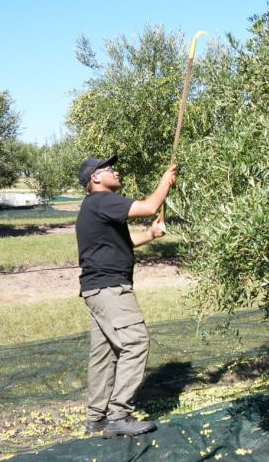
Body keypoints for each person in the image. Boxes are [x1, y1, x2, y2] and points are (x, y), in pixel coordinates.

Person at [75, 155, 177, 438]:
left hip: (96, 290)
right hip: (110, 290)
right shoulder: (102, 200)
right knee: (136, 342)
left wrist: (152, 235)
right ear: (95, 178)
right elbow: (149, 206)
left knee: (105, 354)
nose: (116, 171)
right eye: (109, 169)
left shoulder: (95, 207)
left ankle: (96, 418)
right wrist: (165, 182)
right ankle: (118, 415)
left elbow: (123, 242)